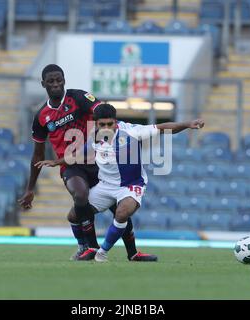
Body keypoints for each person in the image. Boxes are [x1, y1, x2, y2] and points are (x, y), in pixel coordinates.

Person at [18, 64, 157, 262]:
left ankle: (133, 253)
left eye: (59, 80)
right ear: (43, 84)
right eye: (51, 81)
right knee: (80, 194)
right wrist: (30, 188)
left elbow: (99, 110)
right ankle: (90, 246)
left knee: (118, 205)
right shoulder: (41, 116)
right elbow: (37, 154)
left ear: (64, 80)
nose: (56, 84)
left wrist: (112, 128)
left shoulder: (78, 98)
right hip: (71, 165)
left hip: (97, 160)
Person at [36, 103, 205, 262]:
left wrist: (188, 123)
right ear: (95, 124)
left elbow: (163, 128)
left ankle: (101, 254)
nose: (107, 129)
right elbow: (81, 153)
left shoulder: (131, 131)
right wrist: (56, 162)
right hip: (105, 186)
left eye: (111, 124)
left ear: (116, 122)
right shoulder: (94, 137)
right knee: (74, 216)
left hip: (131, 186)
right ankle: (85, 248)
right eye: (102, 125)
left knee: (122, 213)